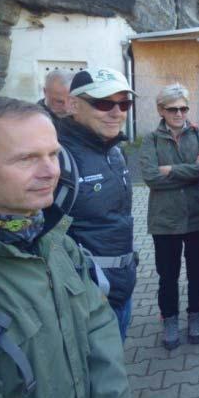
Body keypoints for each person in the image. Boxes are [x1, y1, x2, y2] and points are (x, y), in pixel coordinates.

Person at [0, 97, 132, 398]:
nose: (50, 171)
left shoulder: (55, 241)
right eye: (26, 159)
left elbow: (98, 324)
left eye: (53, 155)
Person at [57, 67, 137, 340]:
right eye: (104, 103)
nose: (117, 112)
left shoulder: (114, 150)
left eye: (124, 103)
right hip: (84, 302)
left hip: (121, 290)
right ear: (73, 105)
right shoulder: (55, 158)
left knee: (112, 372)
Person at [139, 83, 199, 350]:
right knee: (167, 275)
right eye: (173, 109)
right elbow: (151, 177)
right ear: (161, 110)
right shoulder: (150, 140)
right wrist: (192, 170)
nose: (179, 113)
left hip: (197, 216)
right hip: (165, 220)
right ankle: (169, 318)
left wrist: (171, 170)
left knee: (198, 272)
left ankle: (196, 315)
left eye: (184, 108)